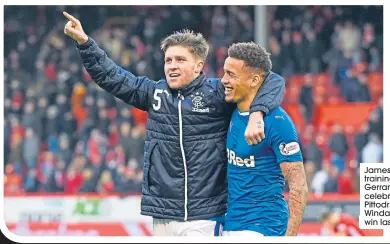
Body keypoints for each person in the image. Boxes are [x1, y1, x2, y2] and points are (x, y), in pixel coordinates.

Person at [63, 12, 285, 236]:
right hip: (163, 214)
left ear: (198, 66)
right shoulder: (154, 93)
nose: (172, 66)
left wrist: (258, 112)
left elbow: (272, 80)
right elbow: (113, 77)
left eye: (180, 60)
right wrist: (85, 43)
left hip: (205, 216)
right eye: (168, 60)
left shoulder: (218, 93)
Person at [221, 42, 308, 236]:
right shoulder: (230, 109)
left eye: (231, 74)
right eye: (224, 72)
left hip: (264, 228)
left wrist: (290, 237)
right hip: (231, 225)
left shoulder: (277, 122)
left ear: (254, 81)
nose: (223, 80)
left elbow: (298, 185)